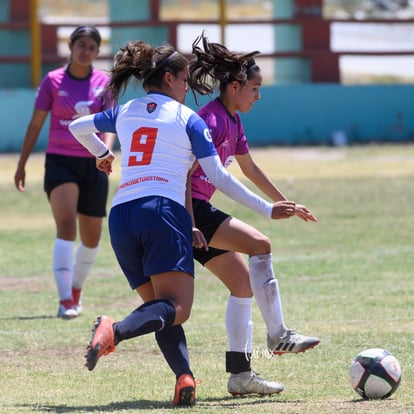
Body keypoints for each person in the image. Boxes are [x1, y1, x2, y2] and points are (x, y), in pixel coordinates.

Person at [68, 40, 299, 407]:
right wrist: (267, 209)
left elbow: (78, 126)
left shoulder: (126, 110)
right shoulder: (186, 118)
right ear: (170, 78)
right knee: (178, 308)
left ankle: (184, 377)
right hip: (162, 211)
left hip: (123, 216)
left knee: (161, 310)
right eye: (184, 80)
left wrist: (103, 153)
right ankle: (115, 329)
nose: (187, 87)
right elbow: (219, 178)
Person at [188, 32, 320, 396]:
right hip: (190, 211)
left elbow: (249, 167)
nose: (259, 95)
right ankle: (279, 336)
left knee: (243, 285)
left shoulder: (231, 120)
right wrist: (190, 220)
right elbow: (186, 174)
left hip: (196, 213)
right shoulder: (210, 121)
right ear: (234, 85)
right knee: (260, 244)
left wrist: (286, 203)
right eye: (255, 87)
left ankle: (240, 375)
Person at [14, 26, 115, 319]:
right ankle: (64, 300)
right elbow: (35, 125)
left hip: (94, 163)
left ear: (97, 52)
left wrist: (104, 153)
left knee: (92, 238)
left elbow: (109, 125)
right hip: (60, 161)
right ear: (70, 46)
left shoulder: (104, 83)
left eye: (92, 47)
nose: (85, 51)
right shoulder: (53, 81)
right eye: (81, 45)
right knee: (67, 227)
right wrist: (21, 164)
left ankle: (76, 290)